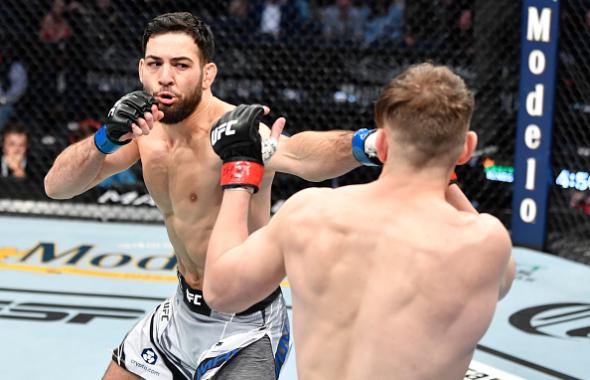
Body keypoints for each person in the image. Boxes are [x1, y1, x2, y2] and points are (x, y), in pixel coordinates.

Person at [43, 12, 379, 380]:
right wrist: (103, 139)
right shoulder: (144, 131)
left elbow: (301, 153)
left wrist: (369, 143)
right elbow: (57, 187)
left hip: (245, 327)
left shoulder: (234, 130)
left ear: (208, 74)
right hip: (179, 315)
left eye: (181, 65)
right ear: (141, 70)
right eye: (155, 64)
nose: (165, 77)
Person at [203, 63, 516, 380]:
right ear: (468, 149)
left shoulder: (309, 212)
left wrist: (240, 169)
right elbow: (502, 281)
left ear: (380, 145)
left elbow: (221, 290)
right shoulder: (486, 242)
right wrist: (445, 174)